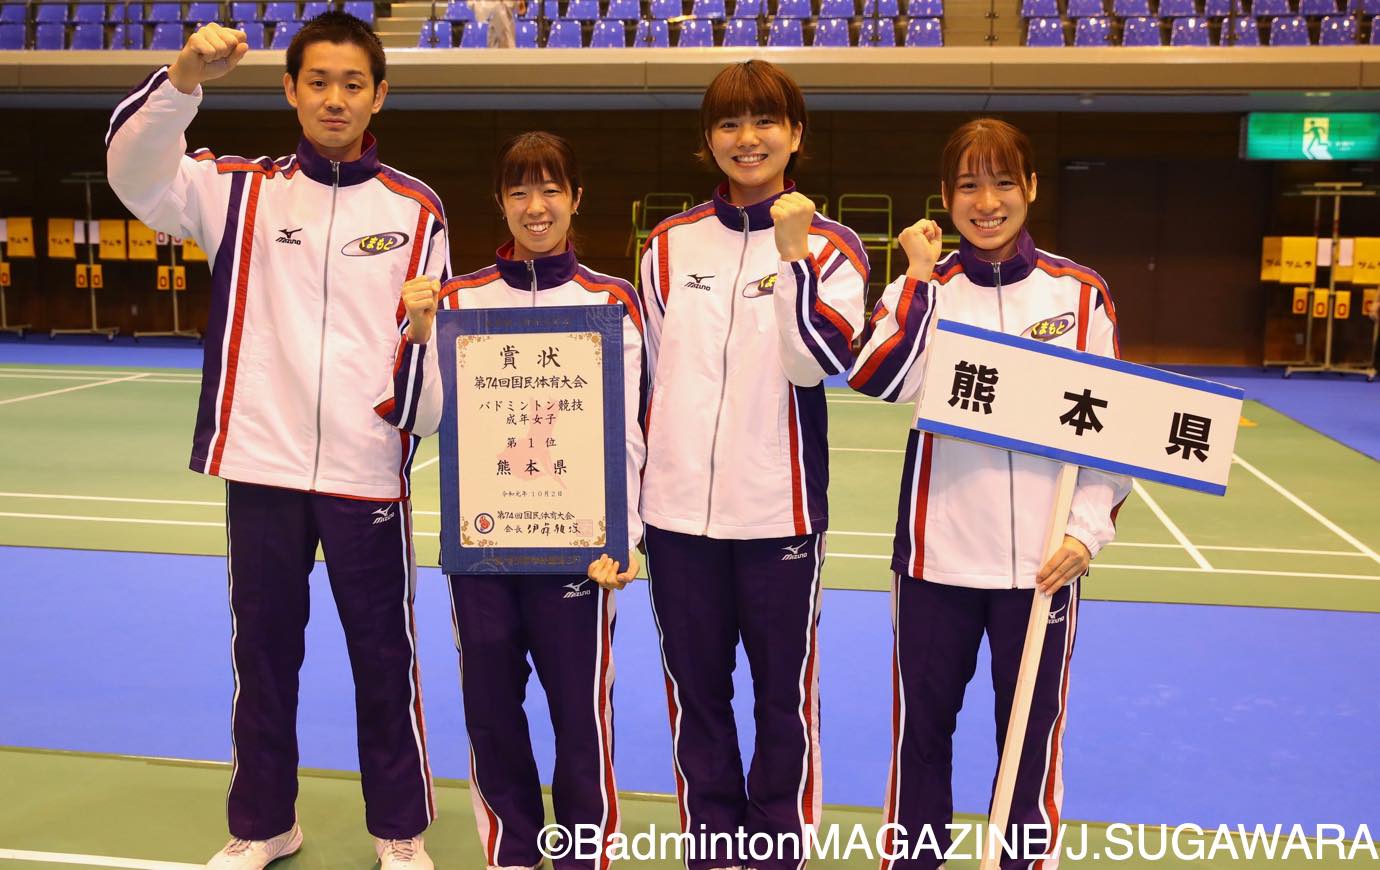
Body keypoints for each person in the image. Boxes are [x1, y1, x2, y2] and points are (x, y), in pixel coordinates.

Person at [105, 15, 449, 870]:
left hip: (367, 475)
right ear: (290, 89)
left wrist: (411, 393)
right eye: (319, 81)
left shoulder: (416, 209)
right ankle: (264, 824)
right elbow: (134, 172)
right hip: (262, 468)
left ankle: (399, 832)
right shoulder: (236, 191)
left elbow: (430, 355)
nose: (335, 98)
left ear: (379, 95)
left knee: (384, 662)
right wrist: (183, 76)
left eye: (353, 83)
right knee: (262, 656)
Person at [848, 118, 1131, 870]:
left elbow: (1116, 430)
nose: (987, 201)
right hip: (935, 568)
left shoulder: (1080, 294)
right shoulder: (925, 290)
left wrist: (1084, 532)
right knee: (922, 740)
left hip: (1042, 575)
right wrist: (912, 277)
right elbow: (875, 378)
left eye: (1004, 181)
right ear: (945, 198)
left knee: (1029, 744)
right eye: (969, 184)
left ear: (1032, 188)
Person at [387, 131, 644, 870]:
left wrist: (621, 539)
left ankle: (582, 855)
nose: (537, 207)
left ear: (576, 198)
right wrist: (419, 333)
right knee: (491, 711)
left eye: (551, 188)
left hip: (581, 553)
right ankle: (513, 851)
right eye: (520, 191)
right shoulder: (460, 301)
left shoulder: (612, 302)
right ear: (499, 202)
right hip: (486, 551)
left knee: (579, 716)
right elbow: (425, 415)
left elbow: (629, 430)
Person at [635, 60, 868, 870]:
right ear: (709, 141)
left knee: (780, 700)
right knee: (697, 697)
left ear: (795, 135)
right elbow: (650, 383)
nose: (748, 139)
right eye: (730, 124)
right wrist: (634, 505)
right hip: (676, 522)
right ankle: (712, 841)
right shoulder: (665, 248)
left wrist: (794, 258)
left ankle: (775, 847)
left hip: (779, 516)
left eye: (765, 122)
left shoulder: (836, 251)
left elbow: (815, 362)